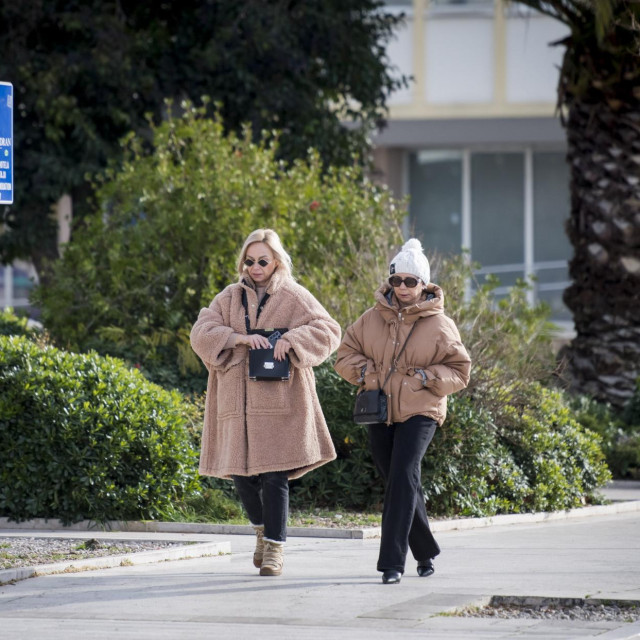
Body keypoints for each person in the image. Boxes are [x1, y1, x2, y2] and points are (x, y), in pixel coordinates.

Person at [190, 229, 341, 576]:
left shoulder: (294, 295)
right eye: (249, 260)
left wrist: (292, 339)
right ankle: (260, 530)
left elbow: (330, 330)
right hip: (236, 402)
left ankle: (274, 548)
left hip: (280, 402)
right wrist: (236, 338)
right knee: (241, 475)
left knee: (275, 475)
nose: (255, 267)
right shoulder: (228, 297)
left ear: (276, 261)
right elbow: (200, 332)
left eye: (262, 260)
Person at [334, 238, 471, 585]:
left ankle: (392, 563)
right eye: (397, 280)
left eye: (411, 281)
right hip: (379, 408)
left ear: (423, 284)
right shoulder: (370, 320)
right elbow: (344, 355)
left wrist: (427, 377)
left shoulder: (441, 325)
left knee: (403, 473)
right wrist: (367, 374)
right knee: (400, 480)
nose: (403, 287)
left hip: (421, 409)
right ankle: (425, 552)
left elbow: (460, 370)